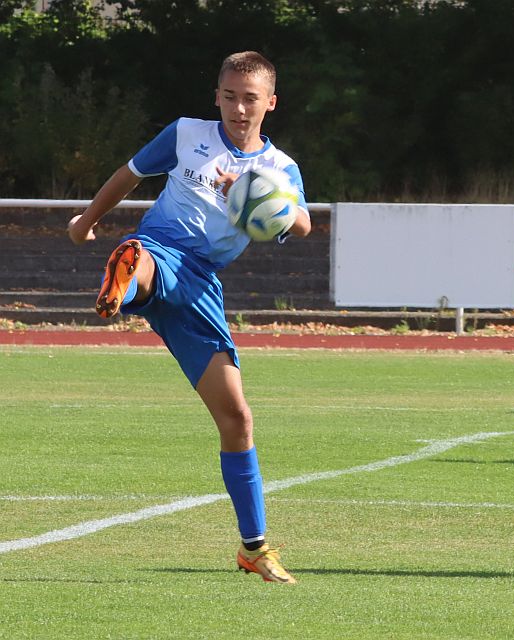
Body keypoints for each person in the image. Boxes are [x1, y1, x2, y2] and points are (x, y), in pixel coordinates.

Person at [66, 51, 309, 584]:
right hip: (159, 247)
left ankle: (254, 548)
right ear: (216, 96)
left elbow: (303, 225)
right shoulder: (185, 134)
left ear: (270, 102)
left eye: (250, 99)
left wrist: (253, 197)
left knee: (238, 419)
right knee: (147, 260)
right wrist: (87, 220)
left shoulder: (279, 169)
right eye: (229, 96)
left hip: (204, 286)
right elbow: (128, 175)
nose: (238, 108)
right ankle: (126, 282)